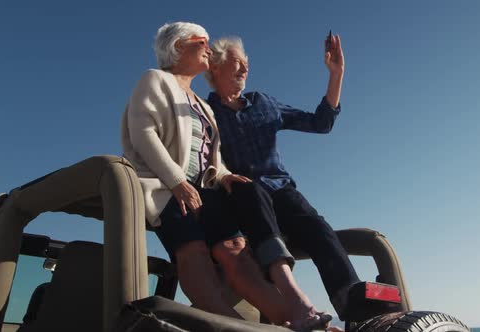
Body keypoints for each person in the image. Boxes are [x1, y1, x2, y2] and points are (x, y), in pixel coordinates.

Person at [121, 22, 333, 331]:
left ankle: (292, 318)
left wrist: (224, 176)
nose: (208, 48)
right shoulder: (155, 80)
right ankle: (234, 327)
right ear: (179, 47)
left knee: (236, 250)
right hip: (166, 188)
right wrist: (177, 181)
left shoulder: (203, 105)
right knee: (193, 253)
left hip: (203, 191)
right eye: (201, 42)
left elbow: (212, 155)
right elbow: (143, 134)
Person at [205, 35, 364, 324]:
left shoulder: (263, 102)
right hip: (242, 200)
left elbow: (321, 123)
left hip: (281, 191)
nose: (245, 69)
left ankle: (358, 313)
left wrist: (336, 74)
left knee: (319, 229)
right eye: (238, 63)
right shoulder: (206, 113)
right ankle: (295, 301)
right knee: (249, 189)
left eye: (247, 64)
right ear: (214, 67)